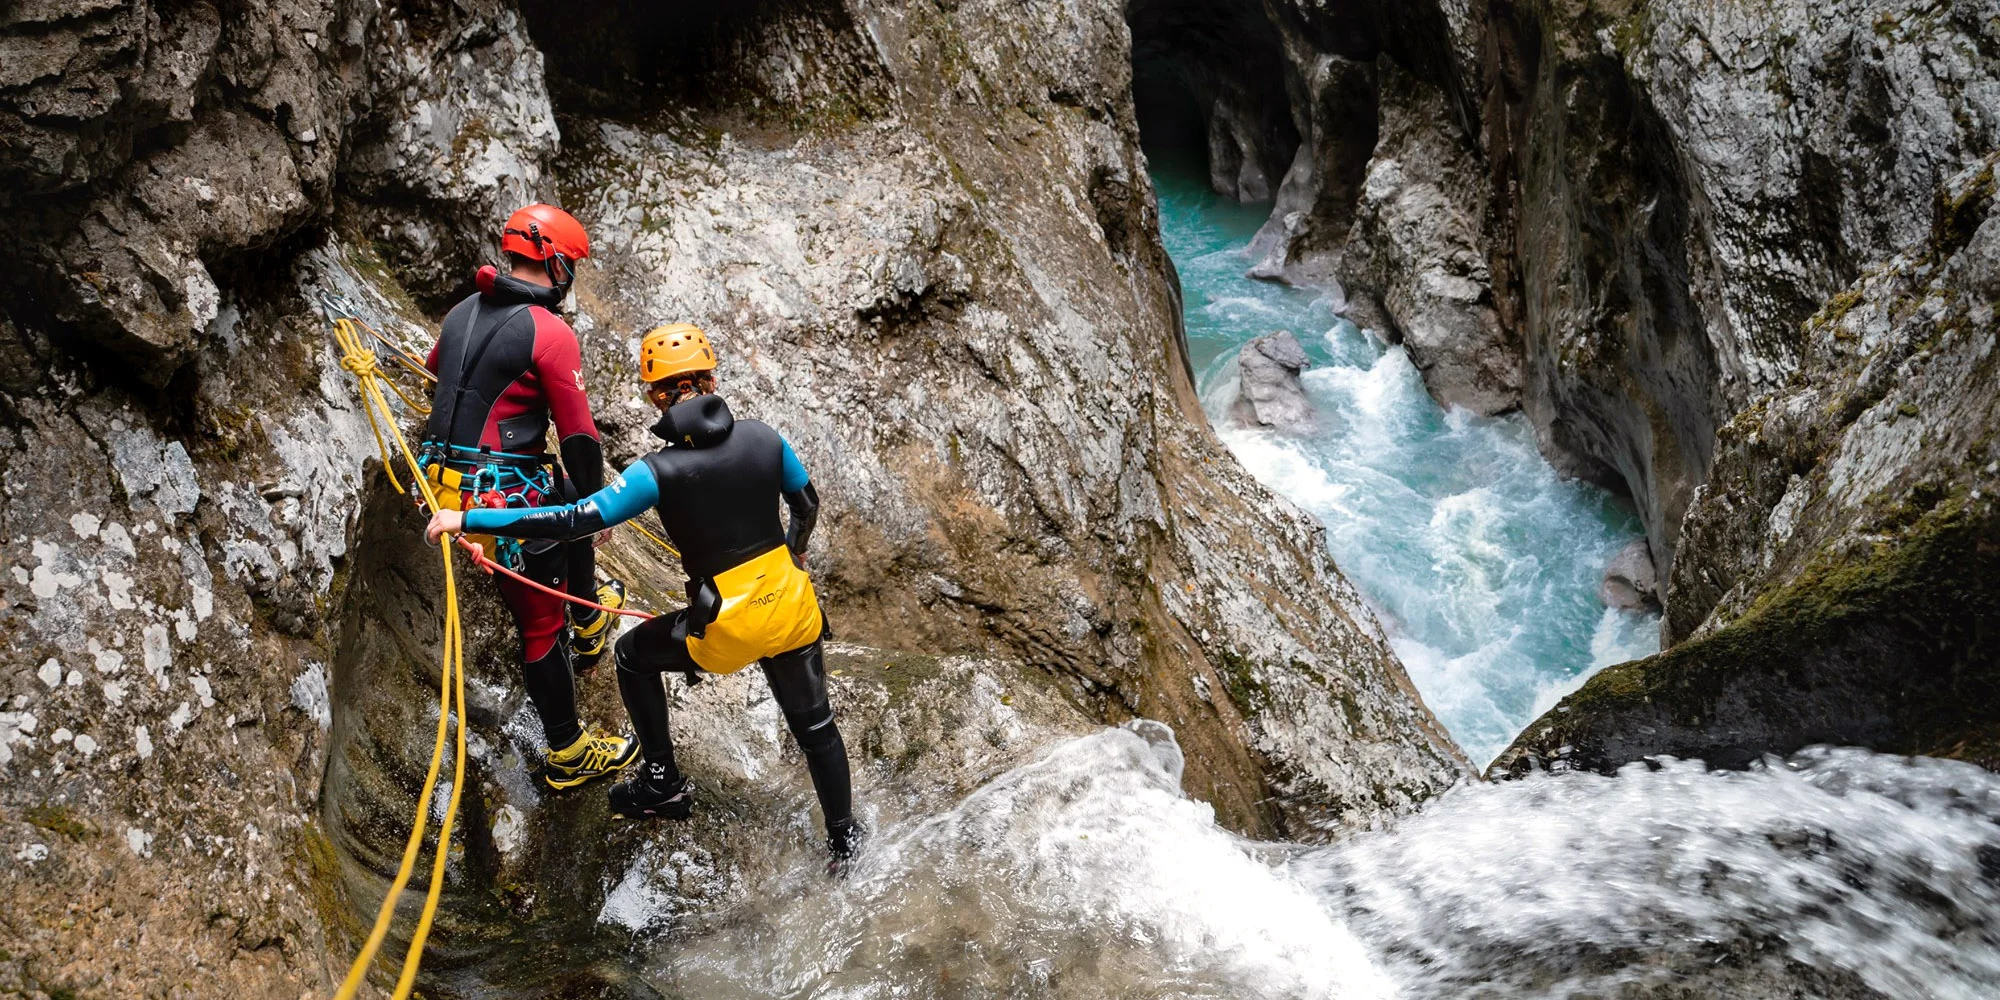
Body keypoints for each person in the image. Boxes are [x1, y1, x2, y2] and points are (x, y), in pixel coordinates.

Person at [424, 323, 862, 861]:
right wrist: (793, 552)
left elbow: (575, 518)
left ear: (655, 395)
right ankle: (845, 839)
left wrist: (468, 515)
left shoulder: (657, 471)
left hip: (725, 625)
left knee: (632, 656)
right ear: (711, 379)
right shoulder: (767, 439)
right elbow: (807, 506)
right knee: (816, 728)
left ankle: (662, 782)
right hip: (794, 606)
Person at [420, 203, 636, 790]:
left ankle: (588, 612)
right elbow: (580, 439)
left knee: (566, 497)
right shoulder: (550, 333)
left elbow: (435, 370)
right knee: (542, 622)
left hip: (442, 482)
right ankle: (567, 749)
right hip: (499, 499)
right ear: (558, 264)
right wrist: (599, 510)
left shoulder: (463, 309)